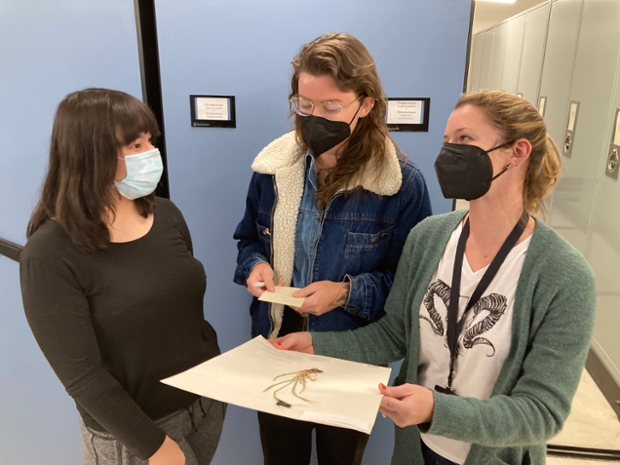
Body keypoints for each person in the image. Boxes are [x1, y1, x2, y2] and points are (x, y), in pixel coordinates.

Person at [273, 90, 597, 465]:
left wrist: (436, 411)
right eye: (446, 142)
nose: (448, 154)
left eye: (465, 140)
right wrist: (318, 344)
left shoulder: (564, 276)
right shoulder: (429, 237)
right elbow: (393, 335)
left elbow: (543, 412)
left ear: (517, 152)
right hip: (416, 449)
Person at [233, 33, 432, 465]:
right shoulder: (272, 169)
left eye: (330, 107)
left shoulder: (400, 184)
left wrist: (343, 292)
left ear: (365, 104)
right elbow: (249, 237)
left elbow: (410, 287)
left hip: (351, 354)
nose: (314, 117)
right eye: (305, 105)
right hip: (278, 344)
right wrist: (255, 266)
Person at [20, 88, 225, 465]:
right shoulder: (49, 254)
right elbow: (84, 380)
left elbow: (182, 308)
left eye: (150, 141)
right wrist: (157, 448)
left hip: (204, 405)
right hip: (138, 434)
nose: (150, 154)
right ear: (91, 156)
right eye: (135, 145)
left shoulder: (166, 214)